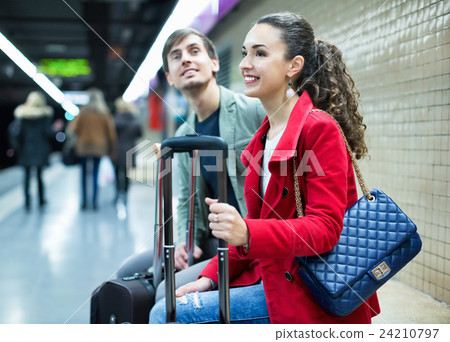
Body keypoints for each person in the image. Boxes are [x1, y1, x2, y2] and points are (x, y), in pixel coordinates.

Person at [149, 12, 380, 324]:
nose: (245, 63)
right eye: (245, 53)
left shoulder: (317, 128)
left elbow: (325, 230)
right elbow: (258, 222)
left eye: (260, 53)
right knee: (171, 302)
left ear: (293, 66)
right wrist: (211, 278)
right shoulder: (262, 138)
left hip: (309, 288)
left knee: (167, 314)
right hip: (271, 273)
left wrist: (245, 231)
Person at [115, 28, 265, 278]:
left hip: (254, 242)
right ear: (170, 77)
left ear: (214, 63)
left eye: (194, 51)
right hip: (215, 240)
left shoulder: (254, 110)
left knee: (164, 295)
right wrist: (187, 240)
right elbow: (187, 196)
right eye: (176, 56)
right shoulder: (184, 134)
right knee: (126, 273)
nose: (185, 59)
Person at [68, 88, 116, 210]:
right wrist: (111, 150)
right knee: (95, 174)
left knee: (84, 174)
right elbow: (111, 134)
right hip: (99, 147)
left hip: (83, 146)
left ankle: (84, 202)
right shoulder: (105, 113)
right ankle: (94, 202)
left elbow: (73, 130)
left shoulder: (82, 112)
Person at [12, 91, 55, 211]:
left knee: (26, 176)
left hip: (26, 149)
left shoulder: (22, 114)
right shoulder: (45, 115)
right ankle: (41, 200)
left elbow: (17, 134)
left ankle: (27, 202)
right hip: (41, 149)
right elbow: (48, 133)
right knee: (40, 176)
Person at [112, 98, 142, 206]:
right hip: (130, 150)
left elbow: (112, 135)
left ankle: (117, 194)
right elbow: (139, 133)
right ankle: (125, 194)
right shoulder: (135, 120)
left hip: (117, 149)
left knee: (116, 173)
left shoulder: (116, 120)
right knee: (127, 174)